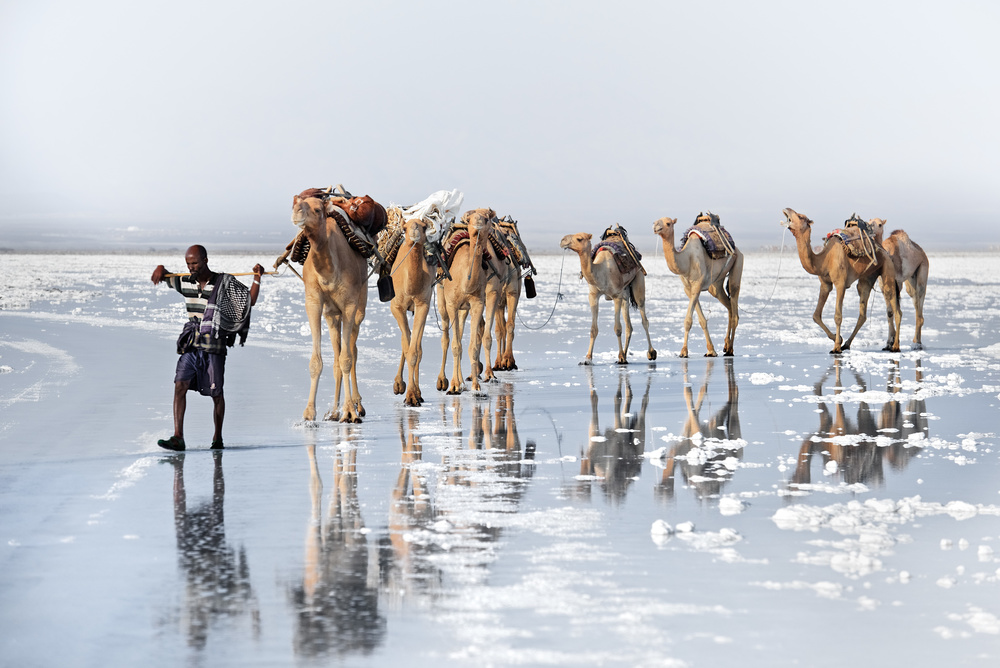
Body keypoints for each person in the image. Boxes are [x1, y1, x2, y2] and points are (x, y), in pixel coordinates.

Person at [151, 245, 264, 451]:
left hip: (214, 346)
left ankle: (217, 437)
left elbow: (249, 301)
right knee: (180, 385)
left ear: (205, 260)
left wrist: (257, 277)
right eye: (188, 264)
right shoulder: (185, 282)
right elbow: (166, 275)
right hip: (192, 344)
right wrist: (160, 267)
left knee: (216, 393)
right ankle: (178, 436)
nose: (191, 267)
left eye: (194, 263)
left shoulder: (224, 284)